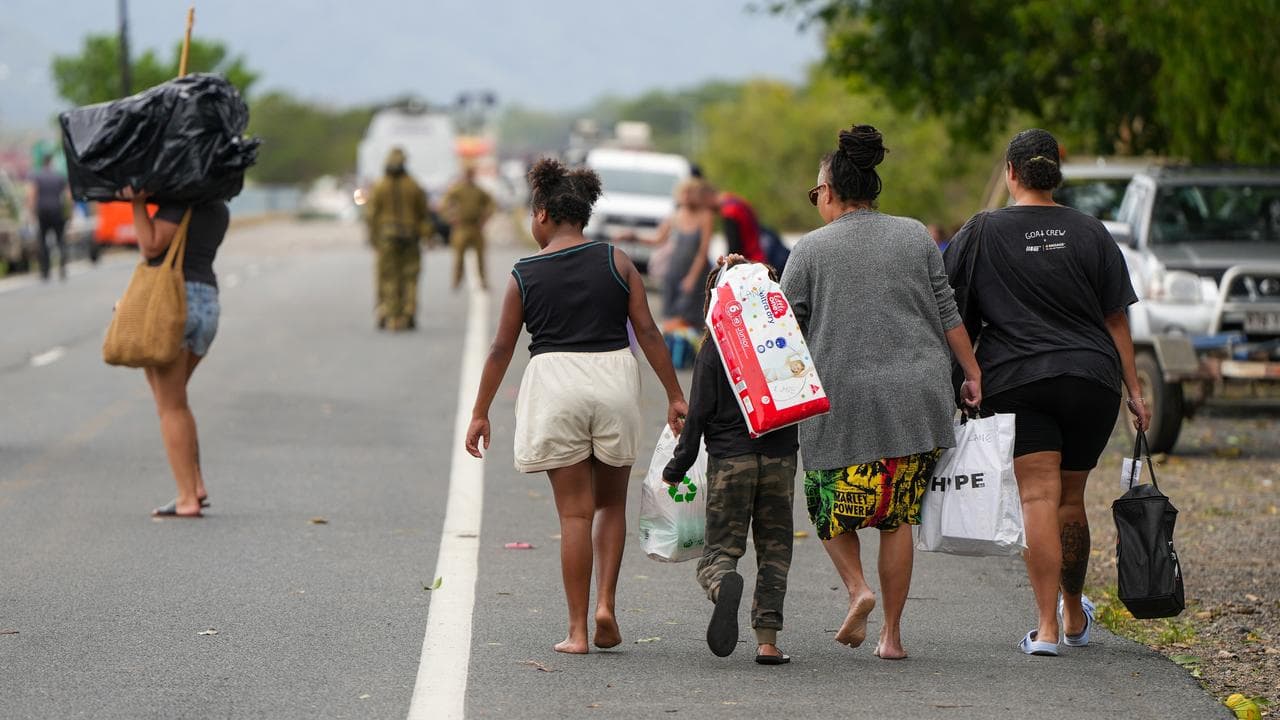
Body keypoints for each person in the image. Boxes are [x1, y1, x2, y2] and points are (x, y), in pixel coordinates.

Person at [464, 158, 688, 654]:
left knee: (573, 516)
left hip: (555, 383)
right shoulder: (618, 260)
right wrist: (675, 395)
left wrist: (480, 411)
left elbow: (501, 349)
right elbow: (648, 332)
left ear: (542, 214)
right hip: (613, 378)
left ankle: (578, 631)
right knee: (610, 503)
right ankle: (607, 603)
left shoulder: (525, 272)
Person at [944, 128, 1151, 657]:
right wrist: (1135, 389)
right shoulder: (1091, 231)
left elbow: (951, 313)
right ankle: (1075, 611)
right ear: (1054, 175)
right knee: (1071, 498)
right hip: (1092, 379)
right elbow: (1115, 318)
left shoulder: (982, 230)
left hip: (1018, 379)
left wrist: (965, 376)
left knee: (1037, 496)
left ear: (1011, 173)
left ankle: (1047, 629)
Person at [780, 124, 982, 660]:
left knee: (825, 498)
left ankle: (857, 588)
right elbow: (947, 313)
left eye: (815, 191)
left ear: (831, 191)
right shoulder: (916, 234)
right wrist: (972, 372)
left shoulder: (810, 250)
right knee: (898, 516)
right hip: (916, 394)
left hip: (840, 394)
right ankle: (892, 637)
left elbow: (782, 331)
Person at [663, 260, 798, 665]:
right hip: (779, 458)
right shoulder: (786, 340)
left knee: (719, 550)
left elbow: (699, 414)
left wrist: (677, 465)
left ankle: (723, 585)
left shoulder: (714, 349)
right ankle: (768, 641)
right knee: (775, 550)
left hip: (730, 460)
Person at [123, 189, 230, 518]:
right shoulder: (218, 204)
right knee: (174, 400)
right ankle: (194, 485)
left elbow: (152, 245)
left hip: (174, 304)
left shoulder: (181, 201)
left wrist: (138, 203)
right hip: (206, 303)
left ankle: (186, 497)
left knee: (171, 406)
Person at [624, 179, 713, 328]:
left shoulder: (705, 216)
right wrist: (634, 236)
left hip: (695, 273)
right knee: (670, 316)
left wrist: (692, 277)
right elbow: (658, 239)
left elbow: (703, 252)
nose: (686, 197)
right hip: (675, 270)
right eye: (684, 193)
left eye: (690, 193)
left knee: (690, 317)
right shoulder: (676, 215)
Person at [366, 147, 430, 330]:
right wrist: (427, 235)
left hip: (387, 238)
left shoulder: (379, 186)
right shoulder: (413, 185)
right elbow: (423, 214)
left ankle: (390, 314)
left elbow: (371, 215)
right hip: (410, 236)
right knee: (410, 276)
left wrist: (374, 239)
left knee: (388, 277)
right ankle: (408, 311)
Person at [442, 165, 496, 291]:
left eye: (471, 174)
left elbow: (491, 202)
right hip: (461, 227)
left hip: (476, 226)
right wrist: (450, 217)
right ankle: (456, 281)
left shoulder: (479, 190)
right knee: (458, 257)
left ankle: (483, 281)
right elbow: (444, 203)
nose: (469, 176)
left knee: (480, 257)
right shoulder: (457, 189)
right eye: (467, 174)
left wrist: (486, 217)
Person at [27, 155, 72, 281]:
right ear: (51, 162)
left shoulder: (37, 176)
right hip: (57, 210)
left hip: (42, 212)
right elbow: (68, 195)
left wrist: (31, 212)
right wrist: (70, 213)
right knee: (60, 239)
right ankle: (62, 262)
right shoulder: (59, 176)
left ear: (42, 163)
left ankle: (45, 271)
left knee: (43, 241)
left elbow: (32, 194)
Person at [716, 189, 765, 263]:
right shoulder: (735, 200)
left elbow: (734, 248)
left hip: (749, 260)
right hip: (758, 254)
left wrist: (725, 264)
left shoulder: (729, 211)